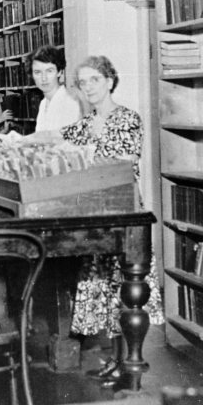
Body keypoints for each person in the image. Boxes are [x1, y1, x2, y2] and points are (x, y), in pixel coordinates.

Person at [59, 55, 164, 387]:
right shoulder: (89, 120)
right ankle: (116, 361)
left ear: (109, 81)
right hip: (98, 212)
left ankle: (129, 366)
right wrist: (18, 141)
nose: (88, 87)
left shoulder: (127, 118)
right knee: (107, 290)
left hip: (125, 212)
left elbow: (122, 161)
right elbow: (59, 137)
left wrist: (82, 157)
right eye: (82, 82)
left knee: (127, 289)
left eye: (94, 80)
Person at [29, 45, 83, 134]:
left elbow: (64, 142)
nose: (43, 78)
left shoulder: (69, 103)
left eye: (49, 71)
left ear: (60, 72)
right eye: (37, 72)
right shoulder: (43, 103)